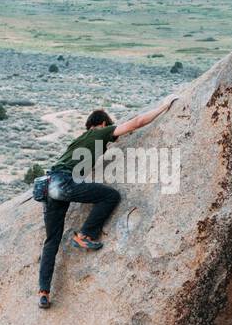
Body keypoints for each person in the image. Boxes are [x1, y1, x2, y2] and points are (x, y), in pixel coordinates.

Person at [37, 97, 175, 308]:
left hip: (47, 186)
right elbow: (137, 122)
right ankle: (85, 235)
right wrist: (164, 106)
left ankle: (44, 292)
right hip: (61, 183)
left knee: (52, 241)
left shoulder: (79, 140)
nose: (111, 136)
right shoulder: (98, 133)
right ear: (101, 124)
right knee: (110, 196)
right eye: (108, 128)